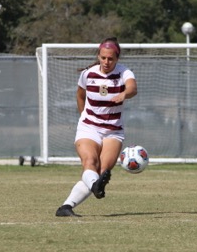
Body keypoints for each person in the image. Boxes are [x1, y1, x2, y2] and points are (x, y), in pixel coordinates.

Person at [55, 37, 138, 217]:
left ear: (117, 59)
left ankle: (66, 207)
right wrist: (84, 117)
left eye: (110, 59)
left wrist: (124, 93)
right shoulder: (88, 74)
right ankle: (95, 187)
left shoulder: (125, 73)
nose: (106, 62)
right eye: (103, 58)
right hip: (88, 128)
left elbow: (132, 88)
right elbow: (79, 95)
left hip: (113, 131)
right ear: (98, 56)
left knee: (101, 172)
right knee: (89, 162)